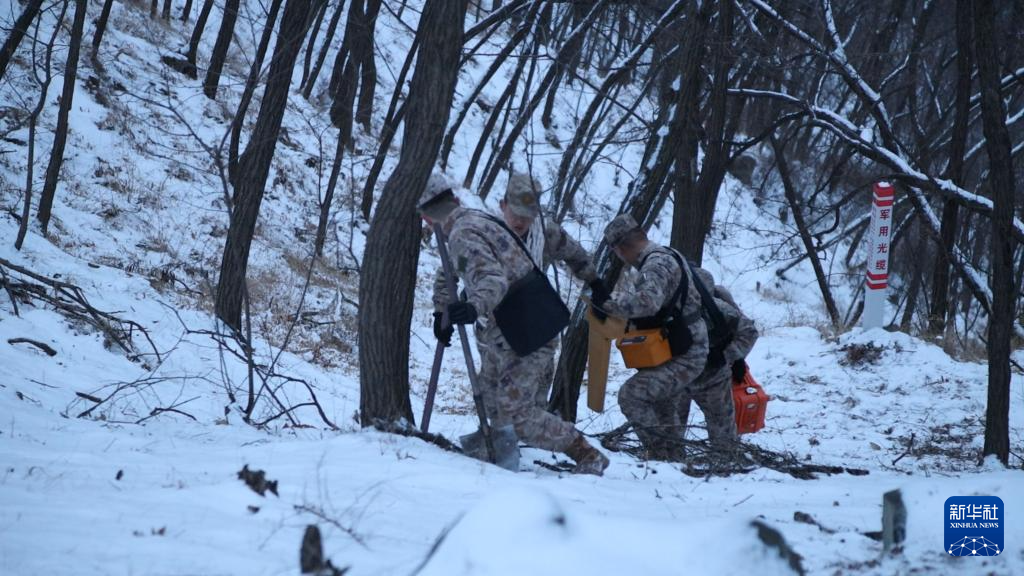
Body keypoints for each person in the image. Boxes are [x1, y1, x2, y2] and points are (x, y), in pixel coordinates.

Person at [420, 172, 609, 475]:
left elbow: (493, 281)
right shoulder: (474, 221)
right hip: (507, 328)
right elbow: (449, 272)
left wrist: (471, 306)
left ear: (426, 218)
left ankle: (586, 453)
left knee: (517, 414)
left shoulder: (463, 232)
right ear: (454, 200)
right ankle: (498, 459)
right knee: (491, 396)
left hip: (526, 326)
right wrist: (441, 314)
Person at [592, 214, 708, 460]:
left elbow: (647, 303)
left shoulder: (655, 265)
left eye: (615, 252)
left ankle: (659, 456)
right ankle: (675, 461)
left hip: (686, 353)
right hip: (678, 347)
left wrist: (609, 305)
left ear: (621, 248)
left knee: (631, 396)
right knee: (664, 408)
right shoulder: (666, 255)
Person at [676, 272, 759, 449]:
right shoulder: (671, 305)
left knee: (723, 434)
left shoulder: (719, 307)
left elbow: (749, 332)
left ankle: (725, 466)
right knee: (672, 429)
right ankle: (671, 465)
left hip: (713, 375)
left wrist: (727, 355)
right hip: (679, 374)